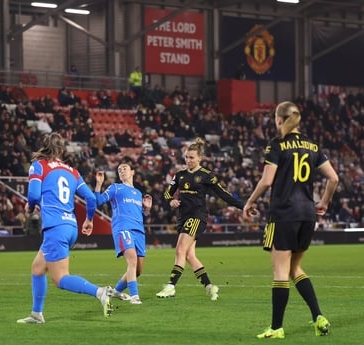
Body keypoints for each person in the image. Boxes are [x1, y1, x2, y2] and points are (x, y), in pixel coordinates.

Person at [243, 101, 339, 339]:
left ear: (279, 119)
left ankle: (276, 328)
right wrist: (324, 202)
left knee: (280, 271)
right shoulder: (313, 145)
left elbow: (266, 181)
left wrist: (249, 202)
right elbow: (334, 178)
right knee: (294, 268)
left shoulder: (277, 145)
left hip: (284, 213)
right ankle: (318, 316)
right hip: (307, 214)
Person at [17, 133, 113, 324]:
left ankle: (100, 292)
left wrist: (29, 207)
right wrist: (89, 219)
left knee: (60, 278)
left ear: (44, 147)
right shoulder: (73, 172)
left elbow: (34, 195)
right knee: (37, 268)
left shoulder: (39, 166)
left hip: (55, 227)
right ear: (61, 150)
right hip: (70, 226)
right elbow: (92, 199)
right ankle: (37, 314)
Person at [155, 137, 244, 301]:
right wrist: (171, 200)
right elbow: (168, 192)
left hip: (197, 216)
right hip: (182, 217)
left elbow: (223, 193)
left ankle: (171, 286)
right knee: (189, 256)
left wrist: (243, 206)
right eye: (187, 157)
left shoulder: (206, 175)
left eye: (191, 158)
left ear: (199, 158)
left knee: (180, 249)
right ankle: (210, 287)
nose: (188, 160)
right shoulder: (180, 175)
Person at [95, 162, 152, 305]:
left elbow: (139, 214)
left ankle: (115, 291)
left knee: (138, 270)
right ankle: (135, 296)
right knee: (132, 261)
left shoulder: (138, 193)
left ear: (132, 172)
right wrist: (98, 184)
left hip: (139, 231)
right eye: (119, 169)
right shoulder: (115, 188)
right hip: (123, 228)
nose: (122, 171)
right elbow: (98, 201)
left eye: (125, 168)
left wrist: (147, 209)